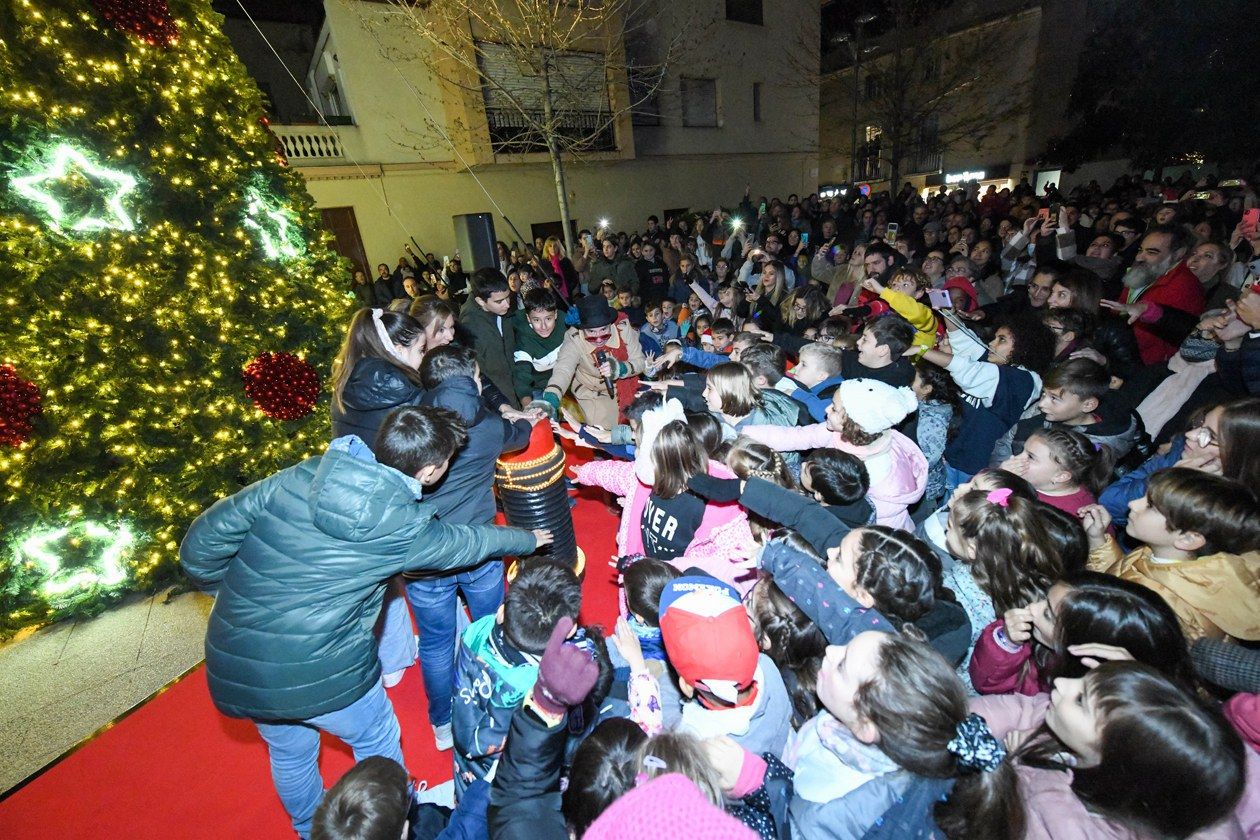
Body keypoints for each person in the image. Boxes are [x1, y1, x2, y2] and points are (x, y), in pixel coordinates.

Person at [179, 407, 549, 838]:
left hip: (237, 661)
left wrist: (235, 596)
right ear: (430, 471)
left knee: (290, 754)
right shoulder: (400, 527)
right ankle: (393, 820)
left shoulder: (307, 472)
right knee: (376, 739)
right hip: (326, 670)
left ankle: (308, 831)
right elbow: (465, 542)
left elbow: (199, 546)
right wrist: (526, 538)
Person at [398, 344, 534, 751]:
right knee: (491, 625)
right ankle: (498, 704)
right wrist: (522, 419)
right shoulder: (489, 426)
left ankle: (442, 723)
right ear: (469, 378)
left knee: (437, 644)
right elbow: (520, 436)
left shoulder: (410, 424)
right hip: (479, 549)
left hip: (426, 555)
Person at [786, 632, 1023, 838]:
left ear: (865, 726)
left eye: (842, 666)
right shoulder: (908, 736)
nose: (830, 650)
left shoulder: (828, 802)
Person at [972, 662, 1247, 839]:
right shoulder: (1080, 728)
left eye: (1081, 699)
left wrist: (1012, 761)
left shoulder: (1053, 825)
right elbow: (1024, 710)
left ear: (1117, 763)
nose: (1062, 683)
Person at [571, 400, 757, 589]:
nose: (637, 457)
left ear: (662, 460)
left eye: (641, 452)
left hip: (674, 581)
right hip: (645, 561)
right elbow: (617, 474)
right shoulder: (650, 479)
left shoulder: (712, 505)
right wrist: (586, 472)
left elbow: (735, 562)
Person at [1081, 468, 1260, 642]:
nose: (1133, 504)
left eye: (1150, 506)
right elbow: (1122, 579)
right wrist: (1097, 539)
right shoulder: (1162, 554)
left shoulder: (1170, 612)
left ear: (1188, 539)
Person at [453, 559, 584, 796]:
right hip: (508, 783)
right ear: (571, 630)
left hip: (467, 767)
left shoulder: (476, 630)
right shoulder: (544, 686)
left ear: (504, 609)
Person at [968, 569, 1196, 696]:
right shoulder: (1045, 652)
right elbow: (987, 683)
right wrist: (1006, 643)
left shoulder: (1098, 703)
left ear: (1086, 644)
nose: (1032, 608)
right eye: (1044, 600)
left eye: (1048, 614)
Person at [742, 379, 928, 530]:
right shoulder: (841, 432)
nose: (826, 410)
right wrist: (742, 432)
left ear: (854, 422)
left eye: (834, 408)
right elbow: (797, 436)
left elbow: (870, 521)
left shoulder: (881, 473)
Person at [942, 480, 1064, 692]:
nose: (946, 528)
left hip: (958, 683)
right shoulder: (1031, 577)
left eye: (951, 526)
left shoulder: (954, 592)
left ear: (972, 549)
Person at [658, 574, 793, 757]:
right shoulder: (767, 668)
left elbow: (669, 723)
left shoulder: (694, 740)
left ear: (686, 687)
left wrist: (666, 679)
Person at [540, 295, 645, 428]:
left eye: (604, 330)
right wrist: (551, 398)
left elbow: (640, 362)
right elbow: (563, 370)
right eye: (591, 332)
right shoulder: (574, 339)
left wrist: (621, 368)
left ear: (610, 324)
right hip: (591, 391)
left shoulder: (623, 329)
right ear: (582, 329)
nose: (599, 338)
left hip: (625, 386)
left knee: (638, 427)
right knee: (603, 431)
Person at [330, 309, 426, 444]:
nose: (424, 356)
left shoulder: (345, 380)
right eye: (421, 350)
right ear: (399, 350)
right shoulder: (407, 391)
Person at [460, 268, 520, 409]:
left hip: (515, 389)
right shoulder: (470, 325)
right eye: (499, 301)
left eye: (508, 297)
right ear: (480, 301)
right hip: (498, 401)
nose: (507, 304)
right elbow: (479, 373)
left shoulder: (501, 310)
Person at [511, 288, 565, 406]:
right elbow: (521, 377)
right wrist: (529, 408)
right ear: (528, 318)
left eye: (548, 319)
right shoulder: (524, 341)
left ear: (555, 314)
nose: (543, 326)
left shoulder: (565, 322)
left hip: (564, 381)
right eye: (536, 320)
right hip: (538, 388)